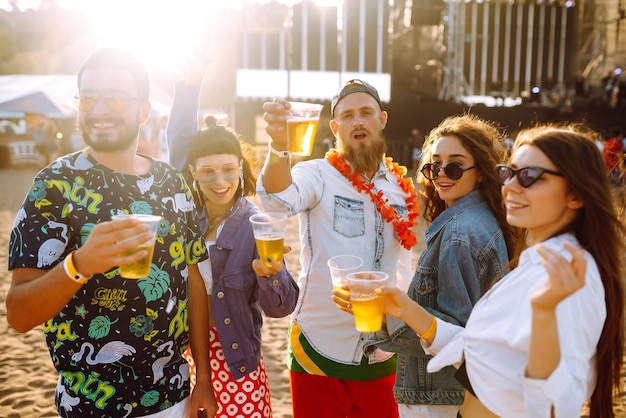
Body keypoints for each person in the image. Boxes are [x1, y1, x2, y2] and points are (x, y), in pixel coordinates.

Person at [6, 48, 217, 417]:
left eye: (116, 98)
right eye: (88, 98)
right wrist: (79, 264)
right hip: (90, 404)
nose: (99, 110)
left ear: (144, 110)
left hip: (175, 397)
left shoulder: (171, 184)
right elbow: (19, 315)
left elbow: (193, 282)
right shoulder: (53, 185)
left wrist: (204, 380)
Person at [372, 124, 624, 418]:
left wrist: (543, 316)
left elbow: (557, 406)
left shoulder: (567, 275)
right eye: (510, 173)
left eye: (530, 176)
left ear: (576, 195)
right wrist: (401, 309)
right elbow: (479, 353)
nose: (511, 186)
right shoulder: (537, 261)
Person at [259, 79, 419, 418]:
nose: (357, 121)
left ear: (382, 119)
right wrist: (278, 147)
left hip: (383, 350)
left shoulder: (401, 188)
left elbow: (404, 261)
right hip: (320, 347)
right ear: (335, 127)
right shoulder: (316, 174)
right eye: (347, 116)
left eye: (366, 113)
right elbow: (277, 199)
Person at [358, 114, 519, 418]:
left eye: (455, 166)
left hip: (438, 398)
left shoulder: (460, 234)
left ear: (481, 172)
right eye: (434, 166)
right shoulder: (485, 220)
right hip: (460, 393)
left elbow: (453, 335)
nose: (442, 174)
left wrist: (382, 317)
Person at [166, 59, 299, 417]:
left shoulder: (258, 225)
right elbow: (178, 141)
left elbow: (281, 308)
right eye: (207, 172)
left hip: (234, 359)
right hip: (179, 356)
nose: (219, 181)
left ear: (240, 170)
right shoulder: (185, 216)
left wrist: (272, 274)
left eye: (228, 169)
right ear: (192, 174)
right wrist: (191, 83)